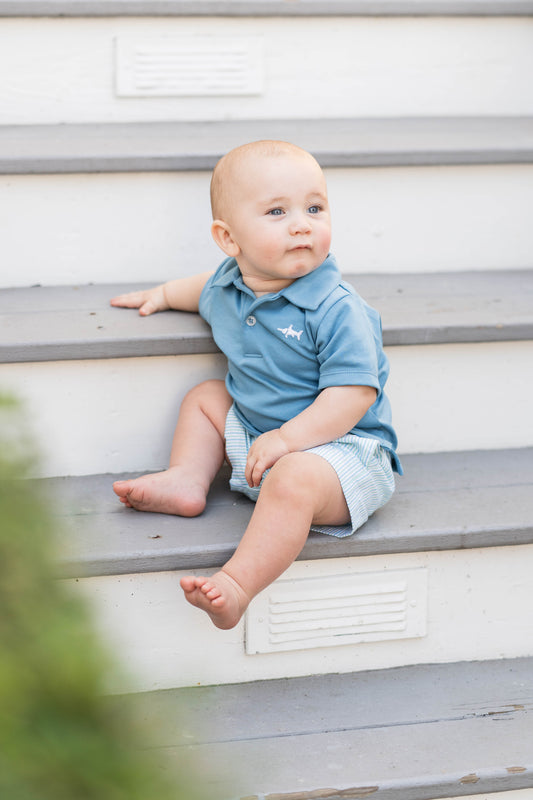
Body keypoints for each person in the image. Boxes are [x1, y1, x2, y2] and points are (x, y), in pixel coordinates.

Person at [110, 140, 402, 631]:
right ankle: (187, 477)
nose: (302, 223)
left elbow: (354, 395)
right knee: (205, 396)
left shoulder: (336, 307)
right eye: (276, 211)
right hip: (262, 436)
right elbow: (200, 288)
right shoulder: (229, 286)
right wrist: (161, 294)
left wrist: (289, 442)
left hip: (343, 454)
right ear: (229, 239)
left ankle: (238, 585)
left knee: (293, 477)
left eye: (315, 207)